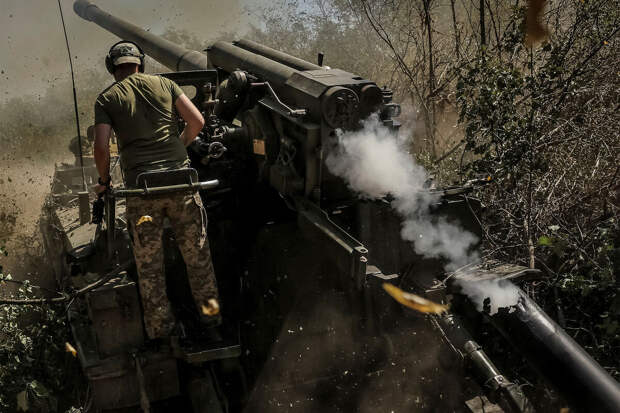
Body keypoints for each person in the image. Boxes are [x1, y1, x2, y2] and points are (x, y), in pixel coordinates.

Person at [92, 40, 220, 341]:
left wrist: (104, 182)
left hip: (143, 192)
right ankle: (213, 324)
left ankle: (162, 334)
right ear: (141, 63)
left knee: (150, 269)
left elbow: (101, 148)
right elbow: (197, 121)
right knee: (200, 261)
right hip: (183, 184)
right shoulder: (165, 84)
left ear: (112, 67)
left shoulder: (107, 98)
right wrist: (181, 148)